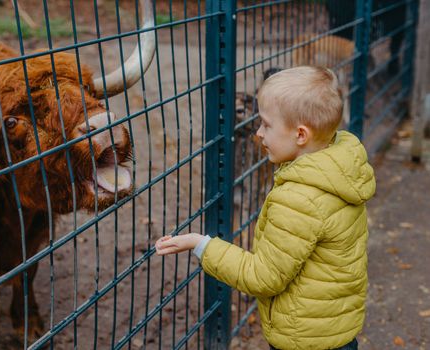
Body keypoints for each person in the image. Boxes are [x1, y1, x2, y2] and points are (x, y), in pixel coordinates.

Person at [155, 66, 376, 350]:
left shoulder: (300, 198)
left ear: (300, 135)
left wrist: (201, 245)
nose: (259, 133)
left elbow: (264, 277)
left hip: (305, 339)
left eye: (267, 125)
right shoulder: (339, 170)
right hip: (335, 328)